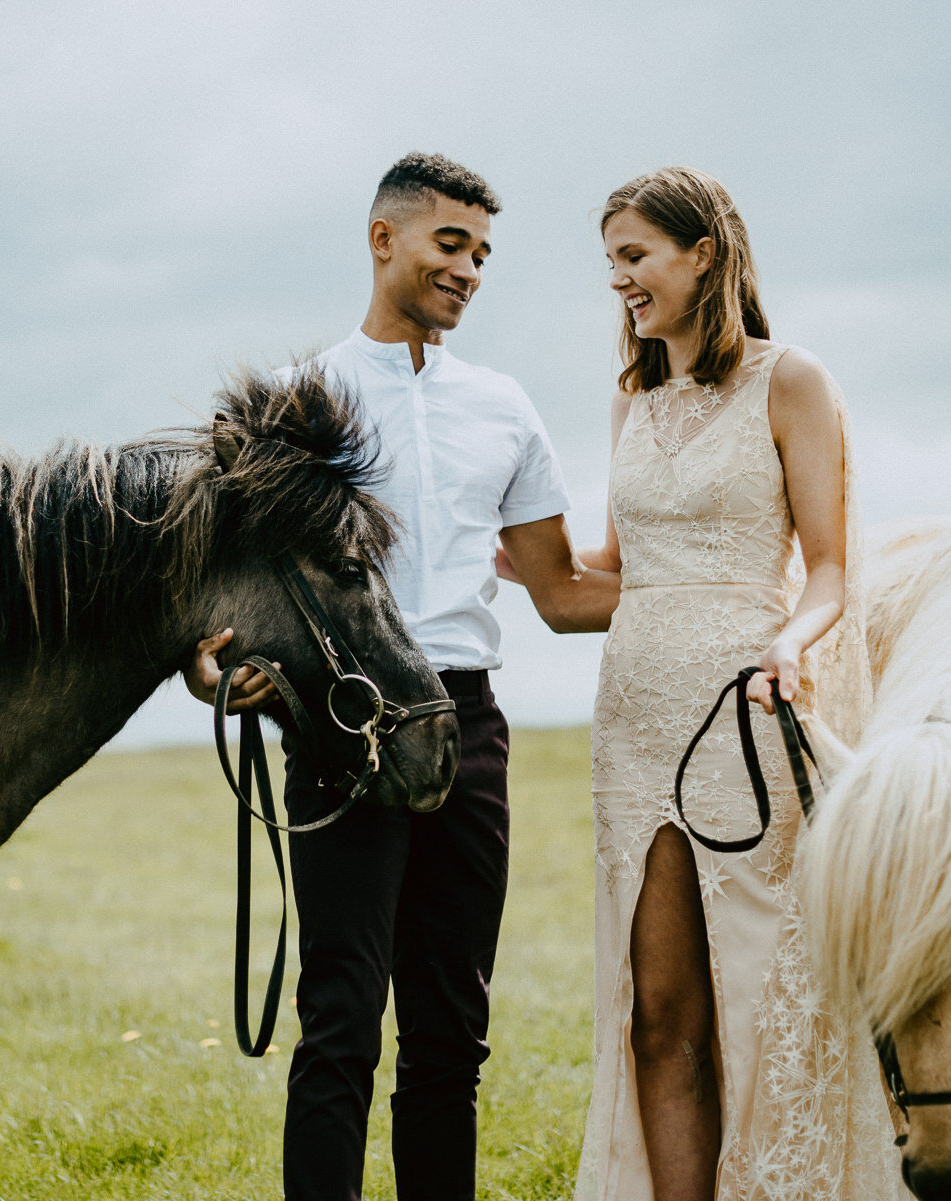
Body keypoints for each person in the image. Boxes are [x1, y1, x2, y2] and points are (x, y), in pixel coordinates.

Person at [184, 152, 620, 1201]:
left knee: (450, 1029)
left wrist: (710, 582)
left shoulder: (506, 407)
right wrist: (213, 672)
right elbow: (219, 604)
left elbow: (560, 594)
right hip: (341, 722)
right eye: (449, 243)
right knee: (339, 1020)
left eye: (481, 253)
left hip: (468, 726)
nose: (469, 268)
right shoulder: (296, 405)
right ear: (384, 240)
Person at [498, 167, 905, 1199]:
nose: (619, 283)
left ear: (704, 256)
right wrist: (508, 546)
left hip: (745, 714)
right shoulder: (632, 397)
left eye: (633, 257)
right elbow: (622, 570)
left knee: (767, 999)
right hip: (631, 726)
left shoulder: (791, 380)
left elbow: (827, 569)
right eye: (611, 263)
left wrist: (794, 646)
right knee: (661, 1008)